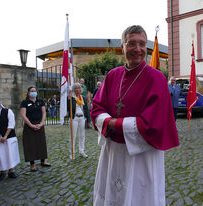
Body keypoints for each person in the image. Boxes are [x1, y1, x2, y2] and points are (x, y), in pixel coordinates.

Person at [91, 25, 179, 206]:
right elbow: (97, 107)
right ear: (122, 47)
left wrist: (114, 124)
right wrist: (107, 121)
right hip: (113, 151)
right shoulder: (112, 75)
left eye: (141, 44)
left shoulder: (156, 78)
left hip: (143, 155)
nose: (137, 49)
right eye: (131, 43)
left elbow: (155, 122)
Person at [20, 86, 51, 171]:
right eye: (31, 91)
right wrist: (30, 125)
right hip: (29, 126)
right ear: (28, 93)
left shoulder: (40, 101)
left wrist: (41, 123)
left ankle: (43, 161)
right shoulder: (24, 102)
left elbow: (44, 113)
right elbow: (23, 115)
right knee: (30, 145)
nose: (33, 92)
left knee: (41, 143)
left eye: (34, 91)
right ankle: (32, 164)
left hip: (40, 124)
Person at [0, 97, 20, 181]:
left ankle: (10, 171)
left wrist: (5, 136)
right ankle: (2, 172)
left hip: (8, 137)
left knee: (9, 154)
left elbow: (11, 124)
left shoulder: (8, 112)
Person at [67, 83, 90, 159]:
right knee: (73, 135)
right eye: (76, 88)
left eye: (79, 88)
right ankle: (72, 152)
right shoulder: (71, 98)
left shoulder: (83, 98)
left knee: (82, 135)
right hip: (74, 118)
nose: (77, 90)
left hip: (82, 118)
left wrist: (88, 119)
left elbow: (86, 109)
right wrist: (68, 100)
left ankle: (81, 151)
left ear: (81, 89)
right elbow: (68, 108)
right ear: (74, 90)